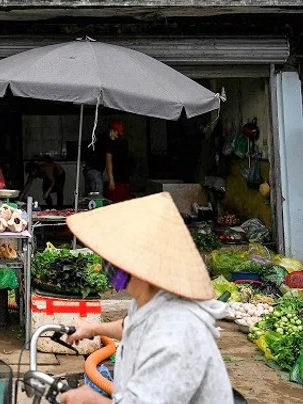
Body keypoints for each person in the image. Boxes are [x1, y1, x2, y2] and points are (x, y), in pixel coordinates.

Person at [58, 192, 233, 404]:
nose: (107, 263)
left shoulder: (176, 336)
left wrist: (91, 401)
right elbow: (132, 326)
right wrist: (93, 329)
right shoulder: (151, 301)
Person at [84, 121, 132, 204]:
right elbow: (108, 160)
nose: (117, 137)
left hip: (89, 169)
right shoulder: (108, 141)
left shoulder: (99, 137)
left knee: (90, 196)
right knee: (97, 197)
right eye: (117, 134)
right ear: (112, 131)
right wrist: (111, 179)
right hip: (95, 170)